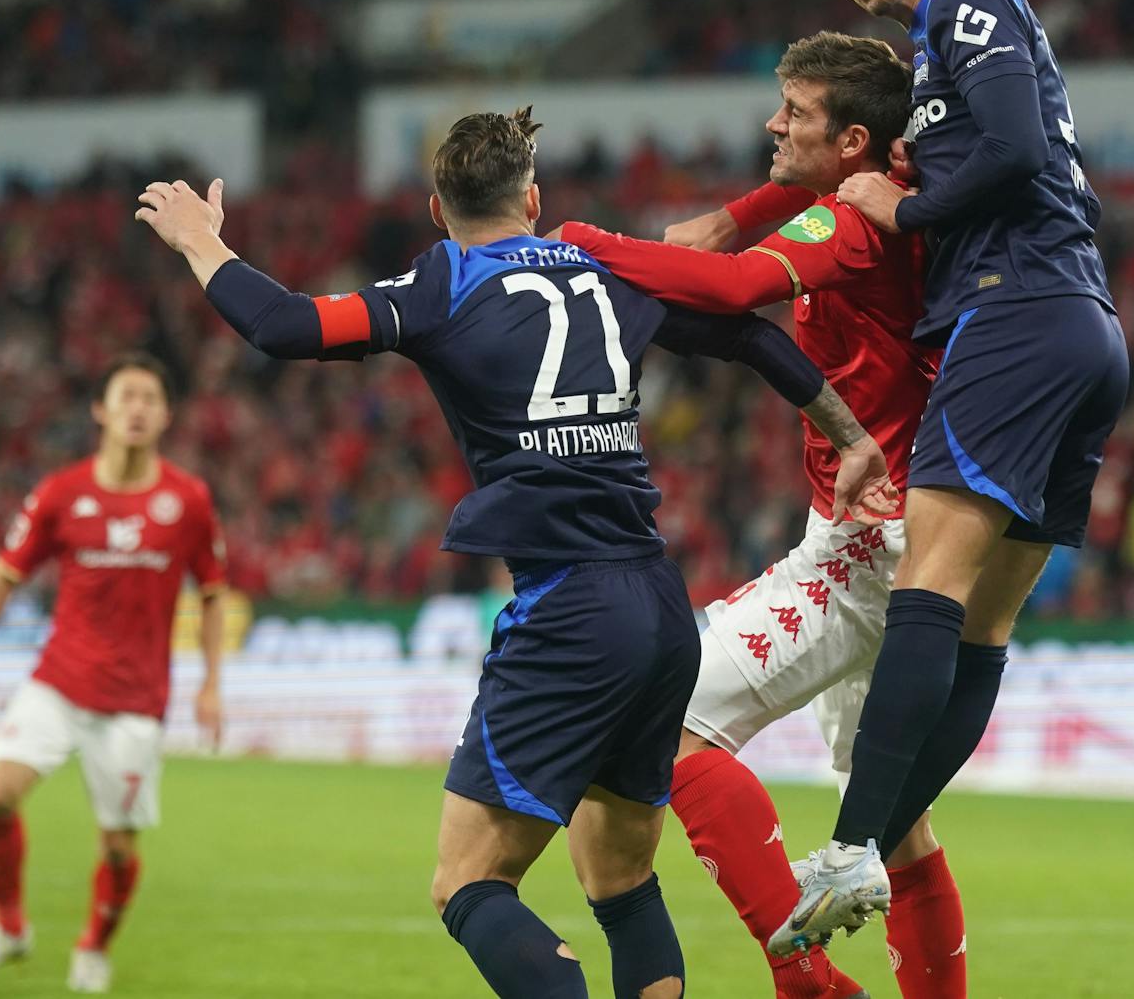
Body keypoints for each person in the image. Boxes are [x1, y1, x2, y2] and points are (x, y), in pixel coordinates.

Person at [133, 108, 895, 999]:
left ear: (437, 211)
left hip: (569, 611)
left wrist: (200, 240)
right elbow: (751, 334)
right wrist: (850, 435)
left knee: (467, 882)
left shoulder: (443, 281)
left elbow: (285, 325)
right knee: (620, 880)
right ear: (533, 200)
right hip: (658, 608)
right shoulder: (608, 266)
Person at [557, 31, 975, 999]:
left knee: (666, 722)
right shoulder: (891, 188)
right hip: (907, 526)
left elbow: (735, 286)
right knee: (898, 826)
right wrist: (738, 212)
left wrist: (574, 241)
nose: (771, 122)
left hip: (870, 545)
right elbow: (785, 208)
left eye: (795, 112)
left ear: (854, 142)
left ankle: (808, 980)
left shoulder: (856, 223)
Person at [775, 0, 1129, 954]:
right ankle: (869, 844)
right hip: (1080, 326)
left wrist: (908, 207)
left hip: (1011, 310)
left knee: (928, 585)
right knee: (983, 625)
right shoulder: (935, 59)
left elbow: (1016, 147)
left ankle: (851, 844)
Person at [0, 353, 228, 994]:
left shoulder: (188, 500)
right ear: (101, 410)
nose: (137, 408)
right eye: (126, 396)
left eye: (150, 398)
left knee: (118, 846)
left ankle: (93, 946)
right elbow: (4, 573)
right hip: (59, 683)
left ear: (166, 415)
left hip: (135, 700)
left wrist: (212, 683)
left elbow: (212, 593)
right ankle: (9, 928)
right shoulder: (61, 493)